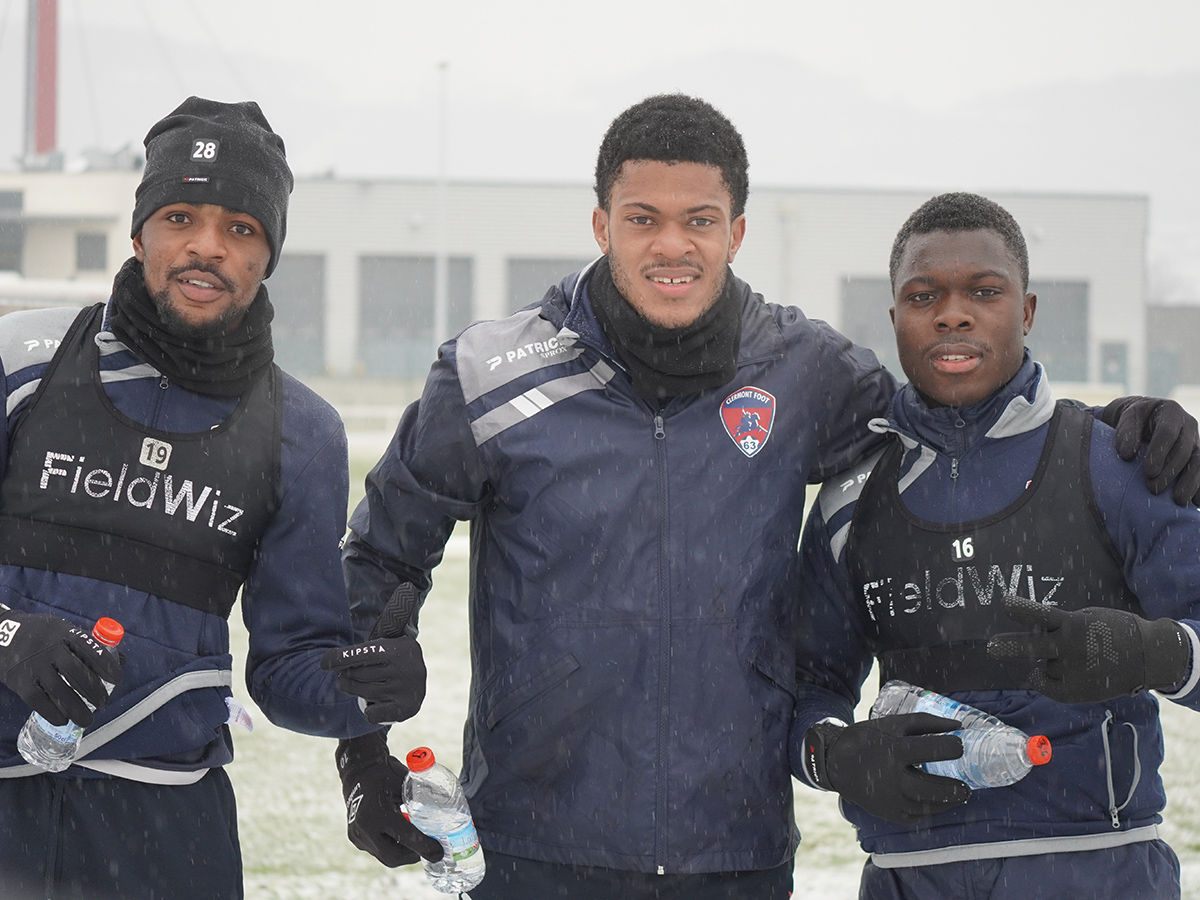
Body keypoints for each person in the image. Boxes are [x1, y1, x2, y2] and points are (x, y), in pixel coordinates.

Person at [321, 99, 1198, 898]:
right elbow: (380, 556)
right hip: (533, 846)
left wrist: (1106, 427)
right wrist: (362, 755)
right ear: (601, 225)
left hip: (733, 855)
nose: (673, 245)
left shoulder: (806, 370)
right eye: (643, 220)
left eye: (699, 220)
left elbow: (953, 411)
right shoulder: (486, 376)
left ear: (736, 230)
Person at [0, 97, 422, 900]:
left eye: (241, 228)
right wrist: (10, 635)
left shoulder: (301, 430)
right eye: (181, 216)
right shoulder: (24, 360)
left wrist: (361, 696)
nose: (206, 247)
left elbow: (288, 666)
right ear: (139, 234)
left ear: (267, 256)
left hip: (167, 832)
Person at [794, 192, 1200, 900]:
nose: (954, 313)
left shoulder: (1121, 465)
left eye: (985, 291)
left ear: (1029, 310)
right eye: (925, 296)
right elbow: (797, 690)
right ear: (895, 320)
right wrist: (832, 755)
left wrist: (1154, 652)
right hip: (906, 880)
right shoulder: (849, 502)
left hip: (1101, 872)